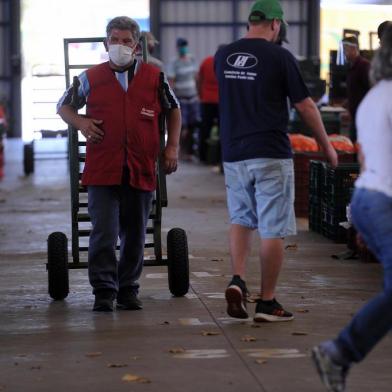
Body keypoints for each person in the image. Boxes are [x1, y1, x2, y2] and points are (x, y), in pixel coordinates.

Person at [214, 0, 337, 322]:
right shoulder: (280, 56)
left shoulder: (223, 55)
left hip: (234, 154)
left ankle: (238, 279)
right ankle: (267, 302)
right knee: (273, 228)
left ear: (250, 23)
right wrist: (326, 145)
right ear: (276, 24)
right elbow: (306, 106)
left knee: (241, 218)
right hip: (269, 151)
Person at [57, 16, 181, 312]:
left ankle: (128, 289)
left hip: (140, 167)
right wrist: (81, 122)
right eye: (114, 39)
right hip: (103, 169)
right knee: (104, 232)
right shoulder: (90, 78)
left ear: (136, 46)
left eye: (126, 41)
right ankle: (103, 291)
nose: (120, 45)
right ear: (106, 43)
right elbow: (64, 106)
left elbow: (174, 110)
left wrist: (171, 147)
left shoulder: (155, 78)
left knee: (136, 232)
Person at [312, 25, 392, 392]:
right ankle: (340, 351)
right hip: (381, 203)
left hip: (367, 199)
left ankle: (341, 352)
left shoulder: (376, 96)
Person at [167, 38, 200, 160]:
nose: (183, 48)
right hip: (181, 98)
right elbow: (171, 80)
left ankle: (190, 152)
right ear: (177, 48)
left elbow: (196, 77)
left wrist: (199, 93)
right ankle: (180, 150)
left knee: (193, 125)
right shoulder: (174, 62)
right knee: (182, 125)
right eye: (181, 46)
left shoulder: (192, 59)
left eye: (185, 46)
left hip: (193, 97)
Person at [341, 36, 371, 143]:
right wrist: (348, 102)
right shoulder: (351, 67)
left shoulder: (364, 66)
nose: (344, 52)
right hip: (355, 116)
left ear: (354, 49)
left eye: (346, 49)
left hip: (364, 118)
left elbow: (371, 91)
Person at [197, 48, 221, 163]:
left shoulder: (206, 61)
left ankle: (203, 157)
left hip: (206, 101)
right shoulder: (225, 62)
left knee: (205, 129)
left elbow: (198, 79)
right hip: (221, 102)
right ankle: (220, 158)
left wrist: (200, 95)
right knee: (222, 131)